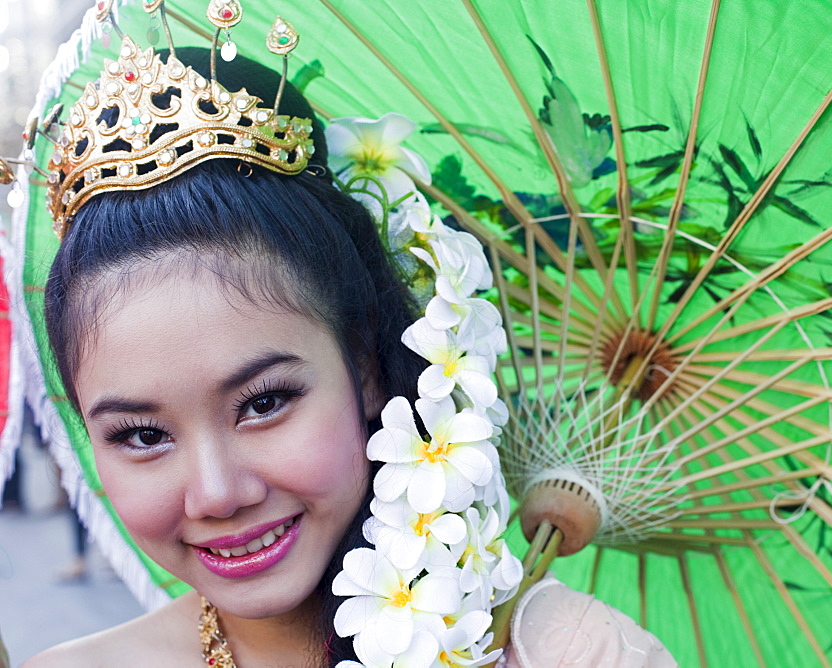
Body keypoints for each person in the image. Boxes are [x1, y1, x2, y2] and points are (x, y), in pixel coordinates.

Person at [23, 30, 671, 668]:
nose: (217, 494)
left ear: (365, 366)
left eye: (264, 401)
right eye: (140, 435)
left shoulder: (577, 655)